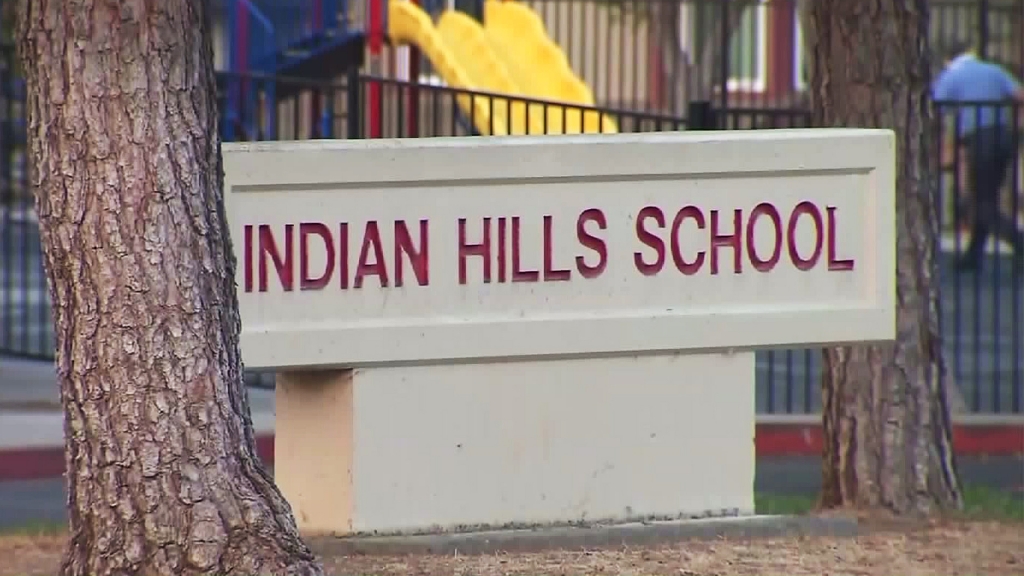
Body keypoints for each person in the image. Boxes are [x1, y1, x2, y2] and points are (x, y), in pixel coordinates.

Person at [932, 42, 1024, 272]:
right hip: (1003, 137)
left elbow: (935, 104)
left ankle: (1020, 242)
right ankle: (972, 257)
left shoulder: (953, 74)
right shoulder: (994, 69)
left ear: (949, 59)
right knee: (987, 197)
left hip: (980, 140)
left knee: (981, 204)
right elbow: (1019, 94)